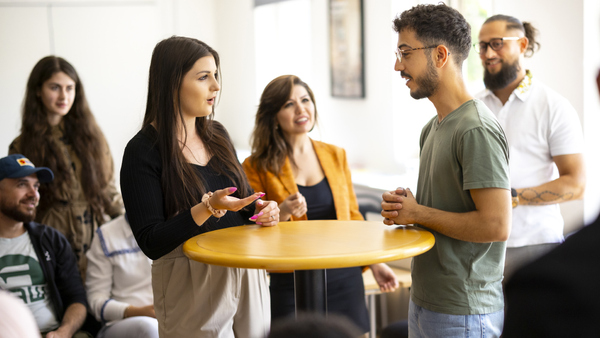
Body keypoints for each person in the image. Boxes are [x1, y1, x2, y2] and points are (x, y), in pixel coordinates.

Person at [120, 36, 280, 338]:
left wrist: (261, 211)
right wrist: (206, 209)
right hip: (191, 279)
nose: (216, 87)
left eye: (216, 75)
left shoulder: (217, 134)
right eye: (204, 77)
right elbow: (151, 241)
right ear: (171, 83)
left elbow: (242, 205)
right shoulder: (143, 150)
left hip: (247, 269)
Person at [381, 4, 511, 337]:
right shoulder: (433, 127)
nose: (398, 65)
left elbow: (496, 225)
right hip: (426, 300)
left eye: (405, 53)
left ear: (440, 55)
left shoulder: (476, 129)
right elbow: (442, 211)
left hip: (463, 311)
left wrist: (419, 212)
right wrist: (408, 210)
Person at [242, 74, 398, 333]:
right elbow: (250, 232)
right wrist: (282, 211)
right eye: (289, 104)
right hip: (291, 282)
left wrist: (375, 263)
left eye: (305, 100)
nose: (301, 109)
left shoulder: (335, 155)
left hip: (344, 277)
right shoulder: (255, 166)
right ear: (273, 115)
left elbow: (353, 218)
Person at [475, 15, 586, 282]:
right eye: (481, 46)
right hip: (479, 246)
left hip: (535, 246)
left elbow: (576, 184)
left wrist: (511, 197)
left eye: (497, 43)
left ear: (522, 45)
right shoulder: (473, 107)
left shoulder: (553, 107)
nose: (488, 53)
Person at [9, 56, 124, 280]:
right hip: (50, 237)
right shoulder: (21, 145)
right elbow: (20, 201)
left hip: (94, 234)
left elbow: (109, 190)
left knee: (99, 304)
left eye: (70, 88)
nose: (64, 96)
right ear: (38, 91)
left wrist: (129, 228)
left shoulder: (92, 137)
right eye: (55, 87)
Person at [0, 154, 89, 337]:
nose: (34, 194)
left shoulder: (51, 239)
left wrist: (63, 332)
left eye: (36, 186)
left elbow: (77, 299)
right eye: (22, 184)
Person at [85, 214, 158, 338]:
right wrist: (136, 312)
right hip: (120, 323)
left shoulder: (171, 228)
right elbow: (95, 300)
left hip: (169, 316)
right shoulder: (106, 235)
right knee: (149, 327)